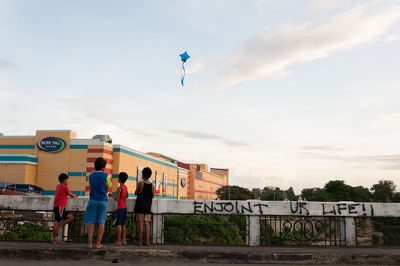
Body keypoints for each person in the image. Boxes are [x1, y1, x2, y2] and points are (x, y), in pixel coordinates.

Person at [84, 157, 112, 248]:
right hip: (103, 200)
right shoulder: (106, 176)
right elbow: (108, 188)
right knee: (101, 222)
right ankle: (98, 244)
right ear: (104, 167)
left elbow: (90, 186)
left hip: (92, 200)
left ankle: (89, 244)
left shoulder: (91, 175)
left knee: (91, 222)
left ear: (94, 166)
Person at [53, 173, 78, 244]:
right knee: (58, 222)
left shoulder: (58, 186)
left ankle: (56, 237)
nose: (67, 181)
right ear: (64, 180)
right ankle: (55, 239)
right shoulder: (65, 187)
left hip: (56, 206)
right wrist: (75, 195)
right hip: (60, 207)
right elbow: (71, 195)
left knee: (68, 218)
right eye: (67, 180)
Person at [134, 167, 154, 246]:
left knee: (141, 223)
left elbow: (136, 192)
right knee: (147, 223)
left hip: (140, 206)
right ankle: (147, 242)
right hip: (148, 206)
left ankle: (140, 242)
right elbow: (153, 196)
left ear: (143, 175)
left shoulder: (140, 183)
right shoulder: (152, 185)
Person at [108, 172, 128, 246]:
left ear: (119, 179)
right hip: (124, 207)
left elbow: (117, 199)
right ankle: (124, 240)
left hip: (120, 208)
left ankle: (119, 241)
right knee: (123, 224)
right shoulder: (125, 187)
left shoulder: (119, 188)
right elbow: (127, 195)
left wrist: (111, 196)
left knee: (119, 224)